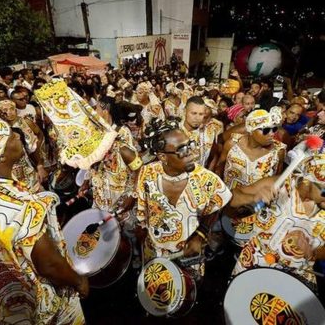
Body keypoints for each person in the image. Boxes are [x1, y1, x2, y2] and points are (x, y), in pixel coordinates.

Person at [0, 115, 88, 324]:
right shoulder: (20, 207)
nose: (17, 135)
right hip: (36, 307)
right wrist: (78, 280)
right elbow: (49, 265)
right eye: (11, 136)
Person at [136, 118, 273, 265]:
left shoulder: (204, 178)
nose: (193, 154)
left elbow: (222, 201)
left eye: (190, 145)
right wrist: (142, 236)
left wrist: (200, 234)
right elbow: (143, 211)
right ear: (163, 156)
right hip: (153, 251)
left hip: (188, 255)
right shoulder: (147, 173)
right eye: (182, 150)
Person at [232, 151, 325, 289]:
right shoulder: (280, 185)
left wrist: (312, 251)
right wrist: (253, 198)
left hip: (295, 278)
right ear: (309, 181)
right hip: (255, 264)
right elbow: (231, 199)